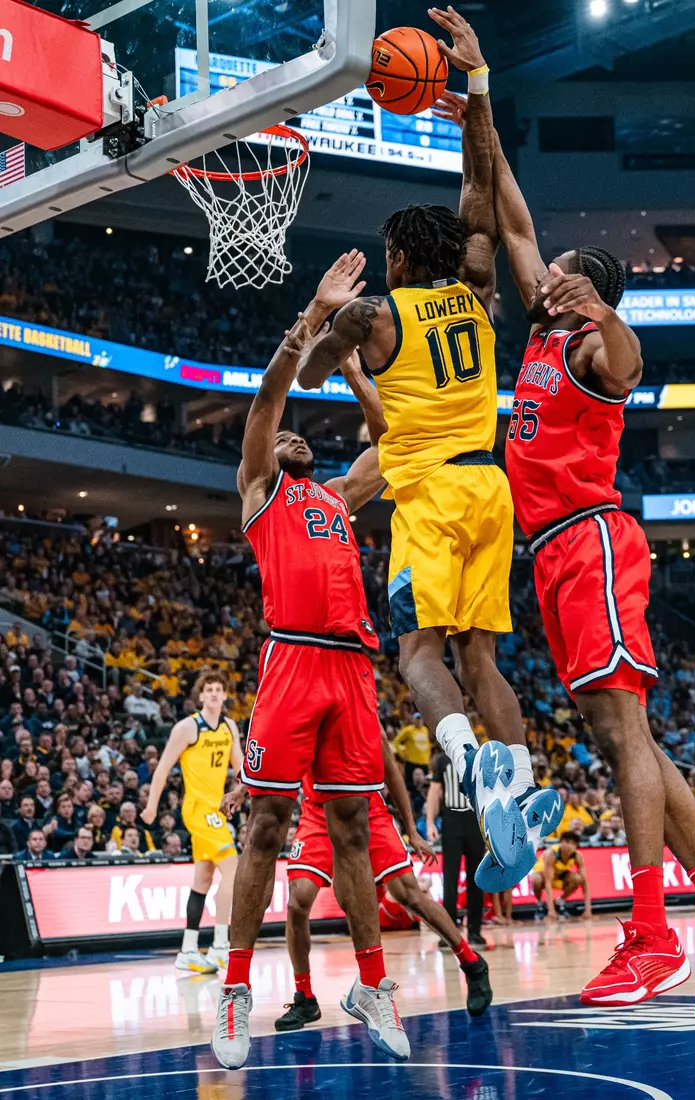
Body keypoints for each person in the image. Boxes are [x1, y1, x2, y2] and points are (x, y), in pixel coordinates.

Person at [431, 86, 695, 1019]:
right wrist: (478, 104)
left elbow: (630, 365)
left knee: (623, 733)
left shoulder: (591, 348)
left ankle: (652, 932)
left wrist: (605, 312)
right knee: (626, 738)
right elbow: (511, 215)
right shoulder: (544, 331)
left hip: (591, 541)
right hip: (551, 554)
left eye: (561, 275)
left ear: (583, 292)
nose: (541, 273)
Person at [295, 7, 562, 890]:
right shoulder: (478, 288)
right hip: (491, 491)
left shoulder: (377, 315)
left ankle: (467, 758)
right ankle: (521, 785)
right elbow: (480, 192)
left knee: (418, 656)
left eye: (386, 253)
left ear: (401, 256)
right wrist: (476, 91)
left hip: (432, 500)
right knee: (482, 657)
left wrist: (327, 316)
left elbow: (306, 370)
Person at [211, 253, 406, 1071]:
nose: (291, 434)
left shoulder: (335, 498)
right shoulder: (262, 490)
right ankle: (233, 988)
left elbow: (394, 446)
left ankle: (371, 983)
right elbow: (267, 399)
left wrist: (356, 370)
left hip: (351, 669)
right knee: (264, 826)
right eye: (283, 435)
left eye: (301, 436)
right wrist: (314, 319)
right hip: (292, 661)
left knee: (353, 827)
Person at [240, 732, 492, 1033]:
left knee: (409, 895)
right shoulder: (300, 717)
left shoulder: (363, 717)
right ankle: (304, 996)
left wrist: (411, 829)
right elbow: (273, 756)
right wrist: (242, 789)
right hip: (317, 814)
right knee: (297, 901)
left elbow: (392, 774)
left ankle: (471, 962)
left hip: (366, 810)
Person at [142, 670, 244, 975]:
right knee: (234, 870)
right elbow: (162, 768)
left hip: (218, 810)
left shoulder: (229, 726)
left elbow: (240, 768)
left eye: (218, 689)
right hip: (198, 809)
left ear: (225, 695)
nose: (213, 693)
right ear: (200, 696)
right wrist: (151, 807)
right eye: (208, 689)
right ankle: (221, 944)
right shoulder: (187, 727)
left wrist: (249, 792)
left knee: (203, 879)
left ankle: (188, 950)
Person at [427, 748, 486, 946]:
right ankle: (450, 933)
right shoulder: (443, 760)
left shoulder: (479, 757)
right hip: (451, 819)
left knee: (476, 879)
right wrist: (430, 822)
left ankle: (475, 931)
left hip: (474, 819)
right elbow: (435, 791)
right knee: (450, 878)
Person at [531, 831, 589, 921]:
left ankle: (560, 902)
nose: (570, 846)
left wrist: (588, 910)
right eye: (568, 843)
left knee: (578, 879)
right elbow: (548, 883)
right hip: (543, 877)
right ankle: (540, 904)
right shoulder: (551, 854)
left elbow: (584, 883)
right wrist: (551, 911)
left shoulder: (577, 856)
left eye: (573, 844)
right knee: (535, 878)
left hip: (558, 877)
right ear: (562, 841)